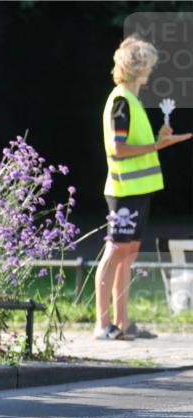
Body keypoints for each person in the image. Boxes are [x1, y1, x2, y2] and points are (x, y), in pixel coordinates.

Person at [94, 36, 191, 341]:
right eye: (148, 63)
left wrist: (158, 140)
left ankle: (122, 322)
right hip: (123, 190)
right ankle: (103, 324)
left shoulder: (130, 100)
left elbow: (133, 145)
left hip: (137, 190)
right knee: (115, 251)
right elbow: (118, 149)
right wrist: (158, 145)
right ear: (138, 67)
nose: (151, 69)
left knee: (128, 253)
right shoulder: (121, 101)